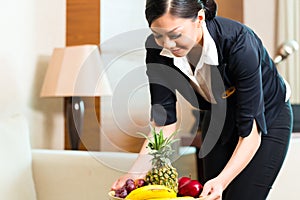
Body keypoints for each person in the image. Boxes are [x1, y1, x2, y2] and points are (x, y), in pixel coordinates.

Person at [112, 0, 293, 199]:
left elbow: (250, 134)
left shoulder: (239, 42)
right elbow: (163, 124)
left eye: (175, 35)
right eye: (158, 35)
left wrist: (221, 181)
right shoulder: (157, 50)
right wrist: (135, 174)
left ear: (199, 18)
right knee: (207, 194)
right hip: (219, 115)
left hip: (267, 116)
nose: (168, 45)